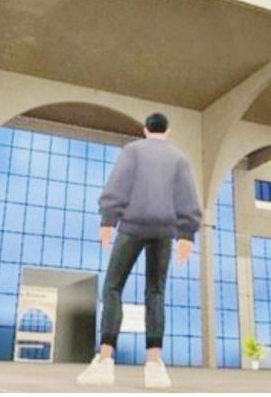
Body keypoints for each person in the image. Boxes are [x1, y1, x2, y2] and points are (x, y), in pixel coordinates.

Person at [77, 113, 202, 389]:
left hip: (132, 227)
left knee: (112, 288)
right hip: (164, 231)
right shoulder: (179, 158)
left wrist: (108, 221)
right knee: (156, 292)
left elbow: (117, 185)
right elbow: (187, 197)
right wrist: (187, 234)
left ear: (145, 130)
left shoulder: (132, 151)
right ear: (167, 131)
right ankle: (155, 364)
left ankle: (106, 360)